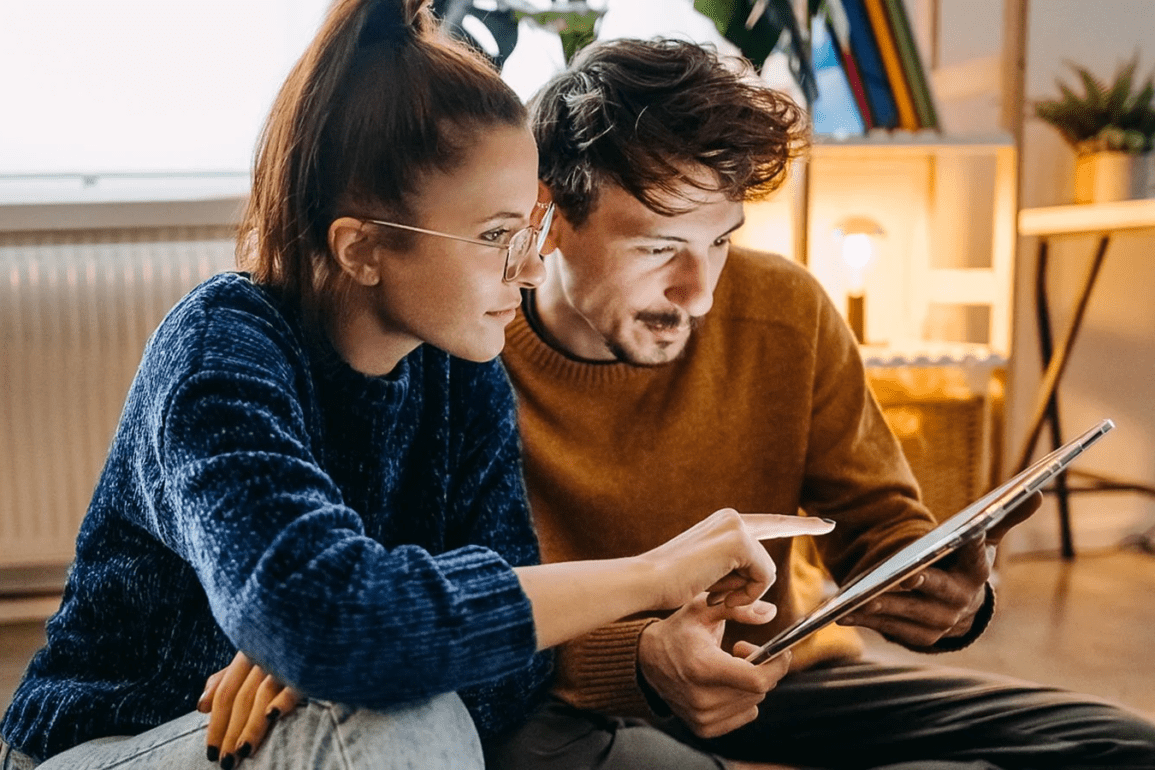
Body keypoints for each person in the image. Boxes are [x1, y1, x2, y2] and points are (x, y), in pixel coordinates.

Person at [195, 35, 1155, 770]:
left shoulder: (783, 311)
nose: (699, 293)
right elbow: (421, 605)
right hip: (551, 702)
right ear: (547, 222)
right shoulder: (455, 346)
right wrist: (641, 659)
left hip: (778, 677)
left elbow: (878, 527)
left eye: (723, 242)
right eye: (659, 247)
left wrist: (940, 594)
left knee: (1114, 744)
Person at [0, 7, 833, 769]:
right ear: (361, 249)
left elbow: (508, 684)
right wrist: (652, 576)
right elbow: (333, 623)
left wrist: (357, 645)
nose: (532, 266)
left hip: (319, 724)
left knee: (423, 710)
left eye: (529, 229)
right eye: (497, 235)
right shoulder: (221, 349)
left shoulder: (460, 371)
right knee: (403, 725)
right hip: (113, 744)